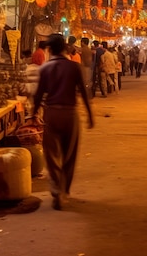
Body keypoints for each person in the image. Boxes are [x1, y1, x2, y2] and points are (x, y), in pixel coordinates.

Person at [32, 34, 94, 210]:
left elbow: (37, 96)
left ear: (49, 50)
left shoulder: (45, 69)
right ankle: (64, 190)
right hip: (70, 114)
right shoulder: (75, 67)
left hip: (51, 114)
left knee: (51, 156)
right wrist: (90, 115)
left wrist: (34, 114)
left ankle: (56, 188)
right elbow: (83, 92)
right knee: (69, 154)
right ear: (65, 49)